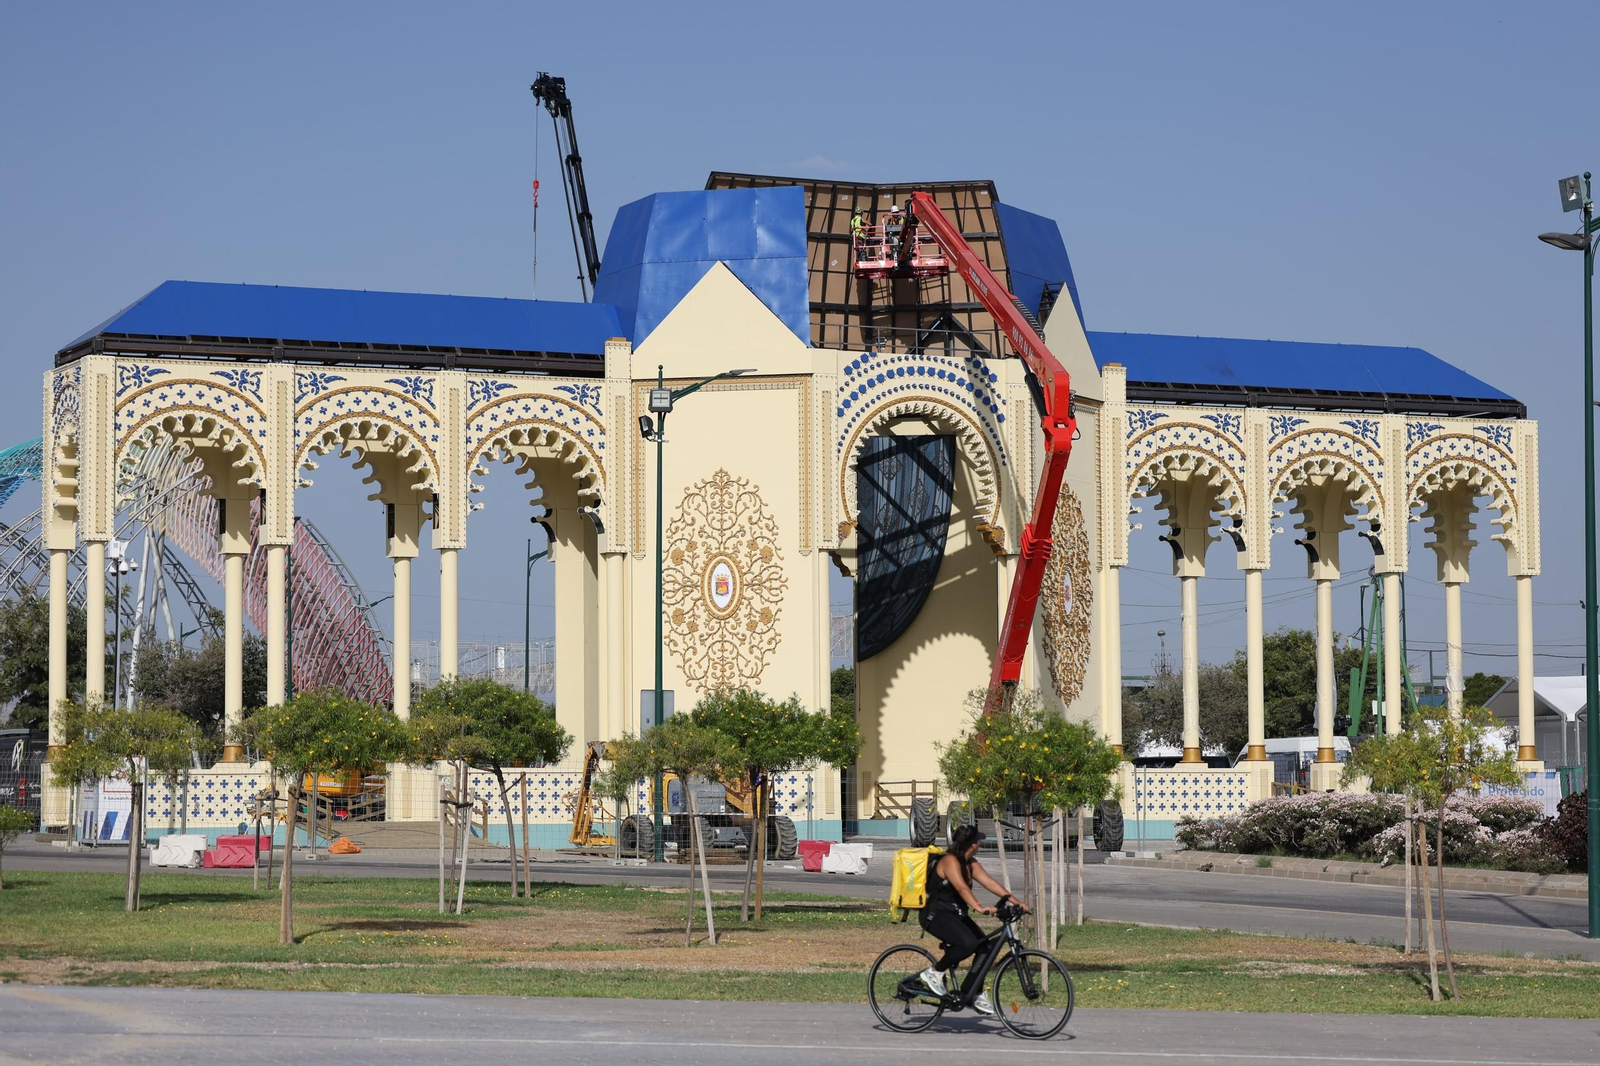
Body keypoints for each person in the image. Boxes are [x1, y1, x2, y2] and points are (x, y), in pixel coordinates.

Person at [917, 823, 1024, 1015]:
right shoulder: (949, 861)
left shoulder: (970, 863)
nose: (980, 844)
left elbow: (991, 883)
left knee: (986, 947)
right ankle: (934, 972)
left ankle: (972, 992)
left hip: (956, 914)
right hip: (935, 915)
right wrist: (979, 907)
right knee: (968, 944)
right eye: (978, 841)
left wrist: (1016, 902)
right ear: (972, 844)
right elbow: (961, 888)